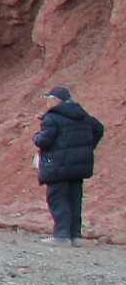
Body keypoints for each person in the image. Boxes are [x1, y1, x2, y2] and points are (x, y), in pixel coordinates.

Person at [34, 86, 105, 244]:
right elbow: (98, 128)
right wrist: (85, 147)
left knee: (57, 198)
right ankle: (75, 236)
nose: (47, 102)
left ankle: (61, 235)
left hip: (58, 165)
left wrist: (36, 137)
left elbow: (44, 140)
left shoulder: (53, 117)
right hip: (78, 167)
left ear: (56, 100)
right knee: (74, 198)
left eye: (49, 99)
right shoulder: (82, 115)